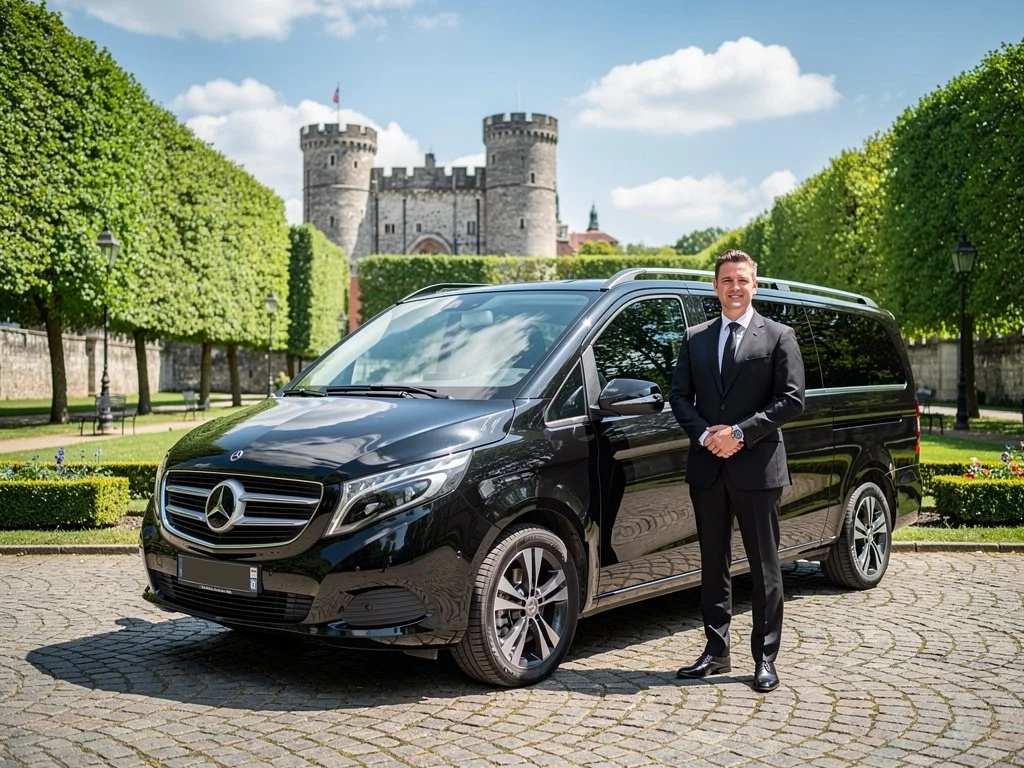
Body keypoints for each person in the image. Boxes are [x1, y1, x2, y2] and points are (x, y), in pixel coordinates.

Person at [668, 249, 805, 693]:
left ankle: (765, 658)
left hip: (758, 469)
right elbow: (679, 397)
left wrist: (741, 434)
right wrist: (707, 434)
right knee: (712, 564)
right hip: (707, 467)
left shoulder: (779, 336)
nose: (735, 287)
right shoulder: (695, 338)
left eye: (742, 280)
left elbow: (791, 400)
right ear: (715, 286)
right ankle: (716, 650)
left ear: (755, 285)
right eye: (727, 280)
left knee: (765, 567)